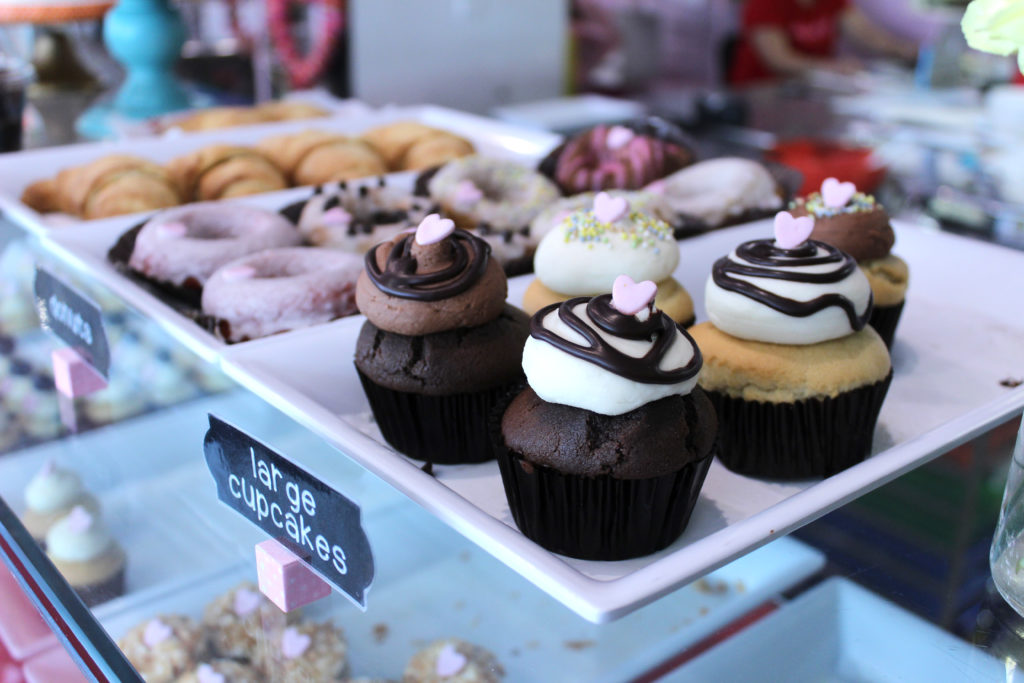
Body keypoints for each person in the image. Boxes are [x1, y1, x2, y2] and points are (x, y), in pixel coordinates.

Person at [729, 0, 918, 85]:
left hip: (808, 91)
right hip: (762, 93)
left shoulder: (831, 1)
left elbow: (870, 36)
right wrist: (832, 67)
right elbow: (779, 60)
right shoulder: (764, 3)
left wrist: (905, 49)